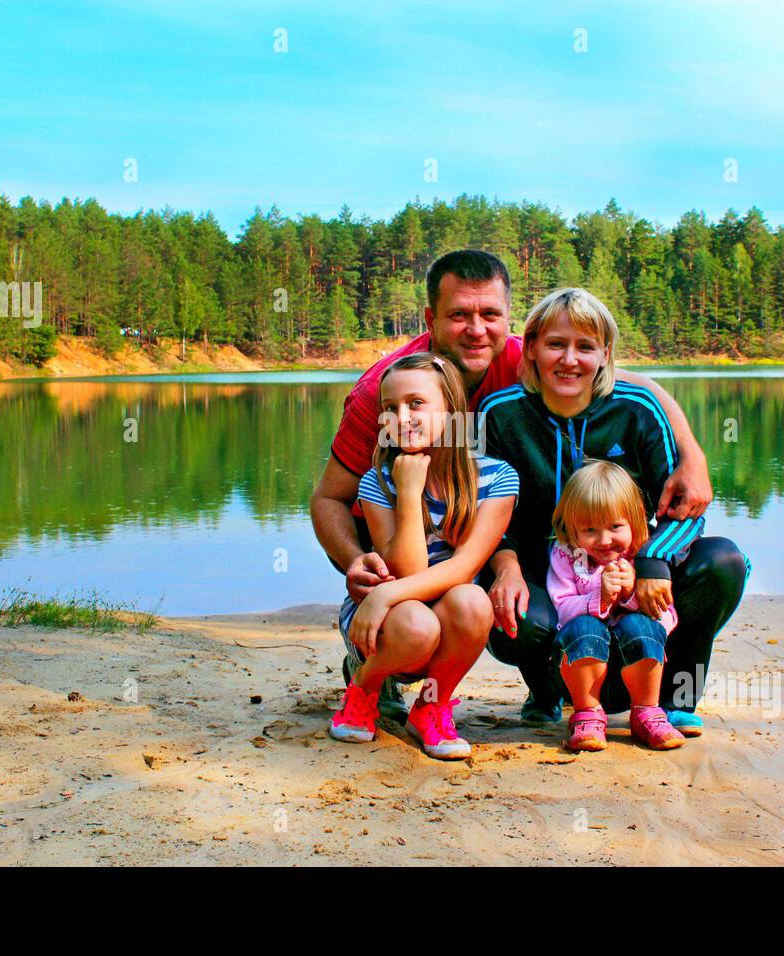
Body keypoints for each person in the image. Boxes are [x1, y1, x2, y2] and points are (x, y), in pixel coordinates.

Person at [310, 248, 730, 721]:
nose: (476, 329)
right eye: (458, 315)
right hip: (397, 525)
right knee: (424, 556)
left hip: (473, 529)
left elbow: (630, 381)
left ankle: (597, 691)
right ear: (431, 318)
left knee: (718, 562)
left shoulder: (520, 356)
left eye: (490, 314)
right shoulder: (386, 390)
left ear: (509, 323)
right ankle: (379, 664)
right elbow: (328, 498)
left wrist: (691, 454)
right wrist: (356, 566)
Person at [479, 287, 749, 730]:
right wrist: (505, 568)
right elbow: (484, 510)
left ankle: (676, 695)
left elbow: (684, 509)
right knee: (522, 618)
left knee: (722, 561)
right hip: (546, 572)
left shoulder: (636, 409)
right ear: (530, 348)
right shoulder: (500, 414)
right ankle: (549, 692)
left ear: (605, 354)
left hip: (630, 560)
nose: (570, 360)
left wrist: (652, 561)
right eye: (556, 344)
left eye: (585, 347)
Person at [329, 352, 518, 759]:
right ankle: (364, 686)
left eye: (416, 403)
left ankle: (431, 707)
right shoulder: (378, 481)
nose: (402, 416)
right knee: (417, 623)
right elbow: (406, 570)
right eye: (390, 408)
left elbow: (465, 567)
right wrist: (410, 491)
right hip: (388, 623)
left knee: (472, 599)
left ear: (451, 410)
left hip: (420, 607)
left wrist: (383, 595)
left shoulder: (498, 477)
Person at [546, 460, 685, 752]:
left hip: (635, 669)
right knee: (582, 626)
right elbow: (561, 608)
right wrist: (599, 597)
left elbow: (667, 618)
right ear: (572, 529)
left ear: (634, 521)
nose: (604, 540)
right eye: (590, 529)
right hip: (585, 666)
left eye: (615, 526)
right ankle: (587, 713)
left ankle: (647, 710)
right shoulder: (566, 555)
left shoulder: (644, 556)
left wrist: (632, 593)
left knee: (641, 626)